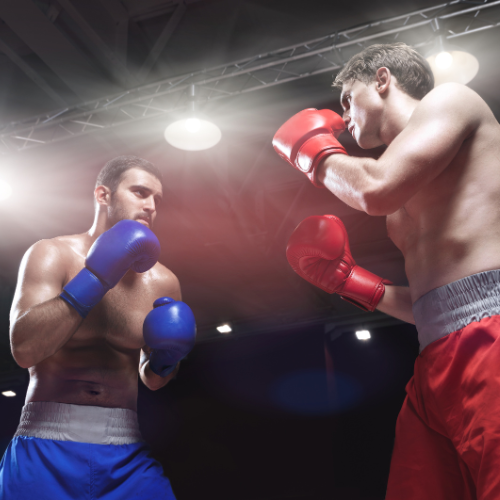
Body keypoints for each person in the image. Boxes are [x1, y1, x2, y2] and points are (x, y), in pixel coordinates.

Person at [273, 42, 500, 499]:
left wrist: (312, 152)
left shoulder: (451, 99)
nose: (343, 116)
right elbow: (437, 305)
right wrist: (352, 283)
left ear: (382, 80)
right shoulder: (400, 194)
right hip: (434, 360)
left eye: (346, 99)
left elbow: (373, 191)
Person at [0, 156, 196, 499]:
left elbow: (153, 379)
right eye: (140, 192)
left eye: (157, 199)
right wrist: (95, 278)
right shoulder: (51, 254)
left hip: (126, 455)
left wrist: (166, 359)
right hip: (46, 444)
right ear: (103, 195)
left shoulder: (164, 281)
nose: (150, 206)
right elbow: (25, 349)